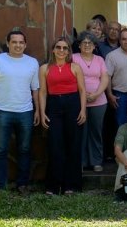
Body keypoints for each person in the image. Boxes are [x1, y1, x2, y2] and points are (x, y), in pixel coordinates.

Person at [0, 30, 40, 194]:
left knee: (25, 149)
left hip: (26, 111)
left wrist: (37, 111)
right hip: (1, 111)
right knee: (0, 150)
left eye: (21, 42)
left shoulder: (32, 63)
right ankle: (0, 186)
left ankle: (22, 185)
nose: (18, 45)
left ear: (25, 44)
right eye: (14, 42)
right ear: (8, 44)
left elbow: (35, 89)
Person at [39, 37, 87, 195]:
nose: (61, 50)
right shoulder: (45, 68)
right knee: (55, 145)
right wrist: (42, 112)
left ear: (68, 51)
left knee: (73, 145)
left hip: (73, 105)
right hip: (53, 106)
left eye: (65, 48)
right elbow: (43, 92)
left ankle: (71, 185)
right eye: (58, 47)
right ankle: (53, 185)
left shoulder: (75, 67)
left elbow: (82, 90)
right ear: (53, 50)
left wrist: (83, 110)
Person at [72, 31, 109, 172]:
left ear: (94, 46)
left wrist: (96, 94)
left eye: (90, 43)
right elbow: (70, 77)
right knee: (80, 132)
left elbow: (105, 78)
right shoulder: (74, 58)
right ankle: (80, 162)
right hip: (78, 100)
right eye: (84, 43)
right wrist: (82, 94)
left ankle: (96, 161)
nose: (87, 45)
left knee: (96, 132)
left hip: (99, 101)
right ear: (79, 45)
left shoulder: (100, 60)